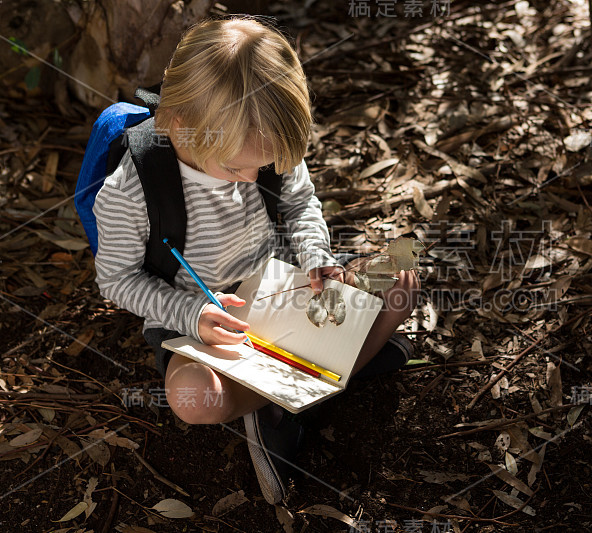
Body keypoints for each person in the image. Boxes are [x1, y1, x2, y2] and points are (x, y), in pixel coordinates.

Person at [92, 16, 419, 504]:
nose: (250, 179)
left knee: (398, 271)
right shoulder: (132, 188)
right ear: (177, 123)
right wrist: (193, 315)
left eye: (262, 167)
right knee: (191, 398)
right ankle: (327, 374)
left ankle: (299, 384)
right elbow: (116, 279)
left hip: (280, 288)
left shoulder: (259, 140)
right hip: (199, 321)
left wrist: (315, 258)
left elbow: (301, 204)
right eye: (234, 167)